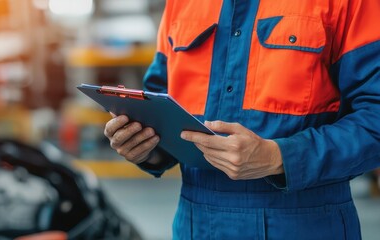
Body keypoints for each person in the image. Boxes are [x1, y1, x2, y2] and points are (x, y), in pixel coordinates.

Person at [103, 0, 380, 239]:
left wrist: (280, 157)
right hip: (195, 224)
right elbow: (159, 102)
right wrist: (144, 147)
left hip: (308, 222)